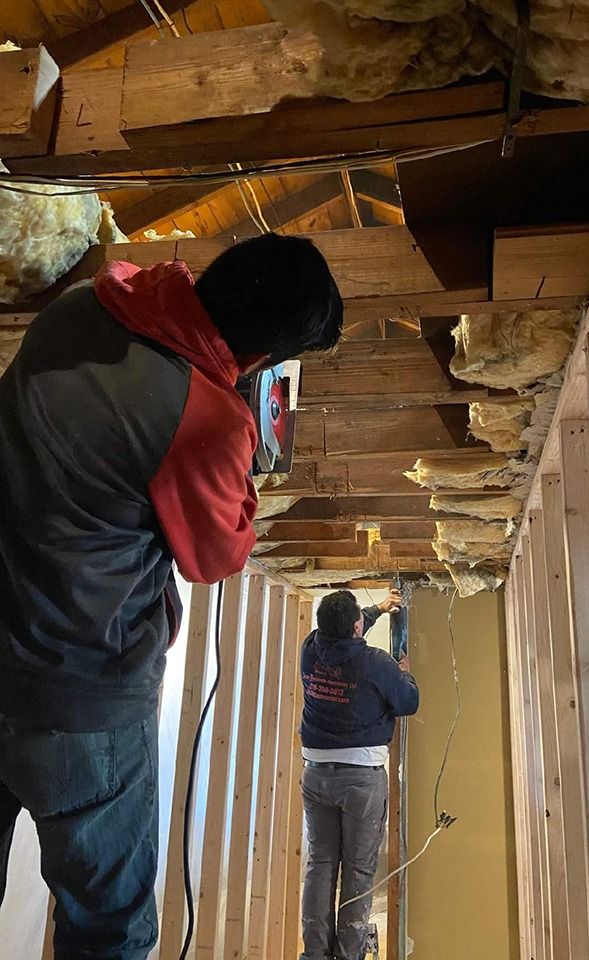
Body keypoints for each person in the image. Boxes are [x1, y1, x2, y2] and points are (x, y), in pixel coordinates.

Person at [0, 233, 343, 959]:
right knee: (110, 932)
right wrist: (235, 433)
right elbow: (218, 556)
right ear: (265, 356)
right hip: (79, 699)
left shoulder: (78, 307)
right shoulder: (204, 420)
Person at [299, 589, 419, 960]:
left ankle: (315, 954)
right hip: (361, 778)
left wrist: (378, 609)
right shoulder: (376, 663)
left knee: (321, 864)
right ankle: (349, 955)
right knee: (358, 870)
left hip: (316, 773)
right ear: (355, 628)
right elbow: (408, 702)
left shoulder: (310, 648)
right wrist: (405, 675)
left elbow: (344, 631)